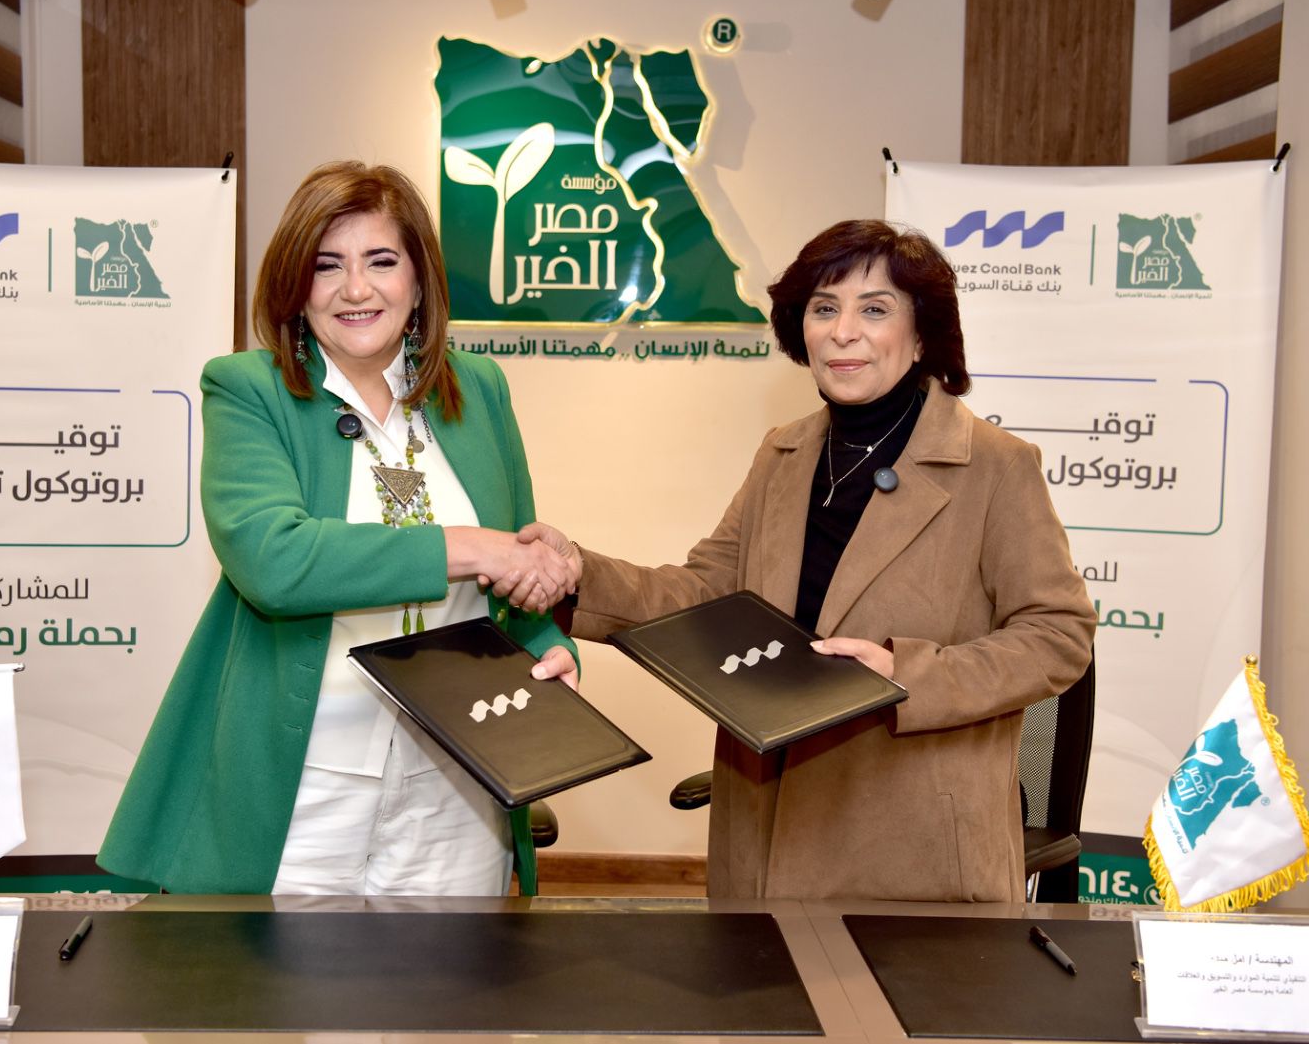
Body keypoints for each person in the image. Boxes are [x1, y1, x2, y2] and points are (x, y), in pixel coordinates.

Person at [520, 220, 1094, 902]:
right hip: (765, 825)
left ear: (922, 335)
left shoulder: (997, 467)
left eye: (874, 309)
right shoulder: (782, 453)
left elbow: (1058, 634)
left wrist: (904, 673)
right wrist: (579, 573)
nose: (843, 331)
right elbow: (706, 595)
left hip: (914, 842)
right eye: (825, 308)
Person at [98, 161, 578, 896]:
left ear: (419, 280)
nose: (356, 289)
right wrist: (467, 547)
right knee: (286, 976)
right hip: (305, 780)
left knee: (452, 974)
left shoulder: (479, 388)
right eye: (328, 266)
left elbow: (514, 572)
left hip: (461, 776)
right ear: (297, 285)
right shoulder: (249, 389)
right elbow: (274, 559)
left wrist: (548, 648)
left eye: (381, 261)